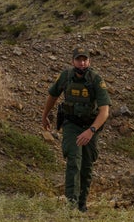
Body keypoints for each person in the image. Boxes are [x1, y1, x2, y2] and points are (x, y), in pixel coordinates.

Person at [41, 47, 110, 212]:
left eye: (85, 59)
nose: (82, 62)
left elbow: (104, 111)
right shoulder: (65, 77)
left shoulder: (95, 80)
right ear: (73, 61)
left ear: (89, 61)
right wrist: (45, 114)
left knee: (86, 166)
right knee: (74, 162)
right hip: (71, 125)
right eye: (79, 59)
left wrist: (91, 131)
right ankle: (71, 205)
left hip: (90, 127)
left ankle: (82, 204)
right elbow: (53, 95)